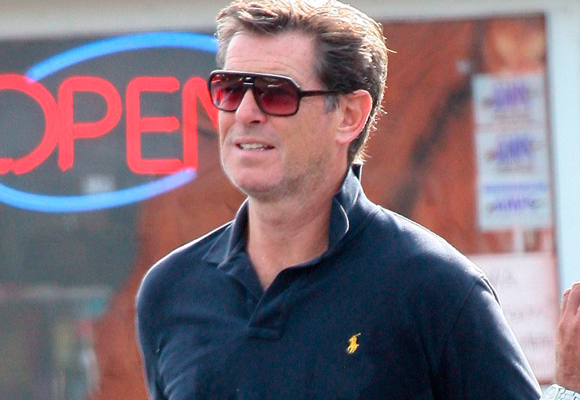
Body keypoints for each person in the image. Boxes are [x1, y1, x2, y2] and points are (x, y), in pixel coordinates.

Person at [135, 0, 580, 399]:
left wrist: (568, 392)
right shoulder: (170, 291)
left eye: (275, 93)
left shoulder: (436, 288)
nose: (246, 113)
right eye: (231, 90)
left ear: (349, 115)